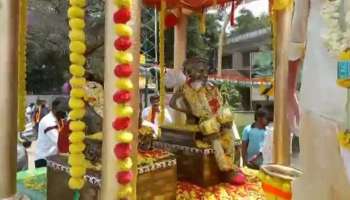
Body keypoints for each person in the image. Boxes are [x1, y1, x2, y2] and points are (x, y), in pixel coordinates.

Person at [288, 0, 350, 199]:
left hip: (321, 99)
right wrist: (290, 92)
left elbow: (296, 37)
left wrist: (290, 91)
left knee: (319, 185)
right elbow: (296, 39)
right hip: (321, 97)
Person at [35, 98, 67, 168]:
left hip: (52, 159)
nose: (65, 112)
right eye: (63, 109)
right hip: (44, 160)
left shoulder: (58, 119)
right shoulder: (48, 122)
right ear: (55, 109)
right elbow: (60, 142)